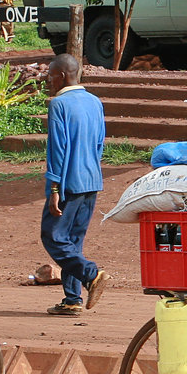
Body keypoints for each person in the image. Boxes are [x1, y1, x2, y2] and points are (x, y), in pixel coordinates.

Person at [41, 53, 110, 315]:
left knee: (53, 236)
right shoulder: (94, 101)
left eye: (50, 76)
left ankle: (92, 275)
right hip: (92, 180)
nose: (48, 81)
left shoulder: (59, 104)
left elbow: (57, 150)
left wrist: (54, 189)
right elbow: (99, 143)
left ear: (61, 75)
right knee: (73, 241)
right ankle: (72, 299)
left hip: (68, 183)